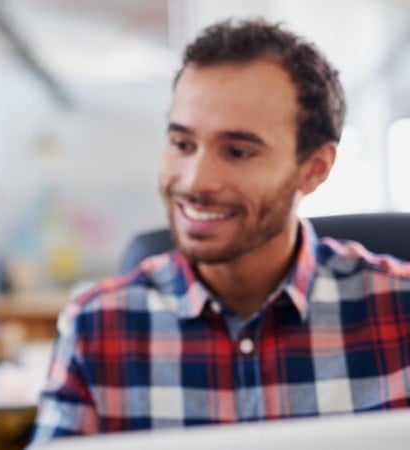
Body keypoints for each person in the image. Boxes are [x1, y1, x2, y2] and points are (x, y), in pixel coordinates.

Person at [30, 18, 410, 445]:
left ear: (314, 168)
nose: (195, 181)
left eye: (238, 151)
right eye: (183, 144)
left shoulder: (401, 311)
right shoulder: (96, 327)